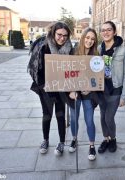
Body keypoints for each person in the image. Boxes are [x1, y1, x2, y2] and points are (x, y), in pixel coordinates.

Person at [28, 22, 73, 156]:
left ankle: (61, 143)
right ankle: (45, 140)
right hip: (45, 87)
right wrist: (43, 87)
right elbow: (34, 68)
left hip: (62, 88)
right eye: (59, 34)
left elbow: (73, 69)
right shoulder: (43, 46)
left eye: (65, 35)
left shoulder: (70, 48)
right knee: (47, 115)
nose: (62, 38)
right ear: (53, 33)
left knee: (60, 115)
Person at [97, 21, 125, 153]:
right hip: (101, 89)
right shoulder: (99, 49)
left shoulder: (123, 51)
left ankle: (113, 139)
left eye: (109, 29)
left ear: (114, 32)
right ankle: (106, 139)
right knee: (102, 117)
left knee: (108, 118)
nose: (106, 32)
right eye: (103, 30)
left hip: (115, 90)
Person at [68, 28, 99, 161]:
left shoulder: (96, 55)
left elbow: (98, 77)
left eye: (92, 39)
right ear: (83, 38)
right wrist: (70, 90)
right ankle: (74, 139)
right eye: (87, 37)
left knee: (89, 120)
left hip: (88, 94)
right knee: (74, 118)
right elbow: (66, 73)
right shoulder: (73, 53)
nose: (89, 41)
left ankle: (92, 145)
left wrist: (91, 88)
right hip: (74, 92)